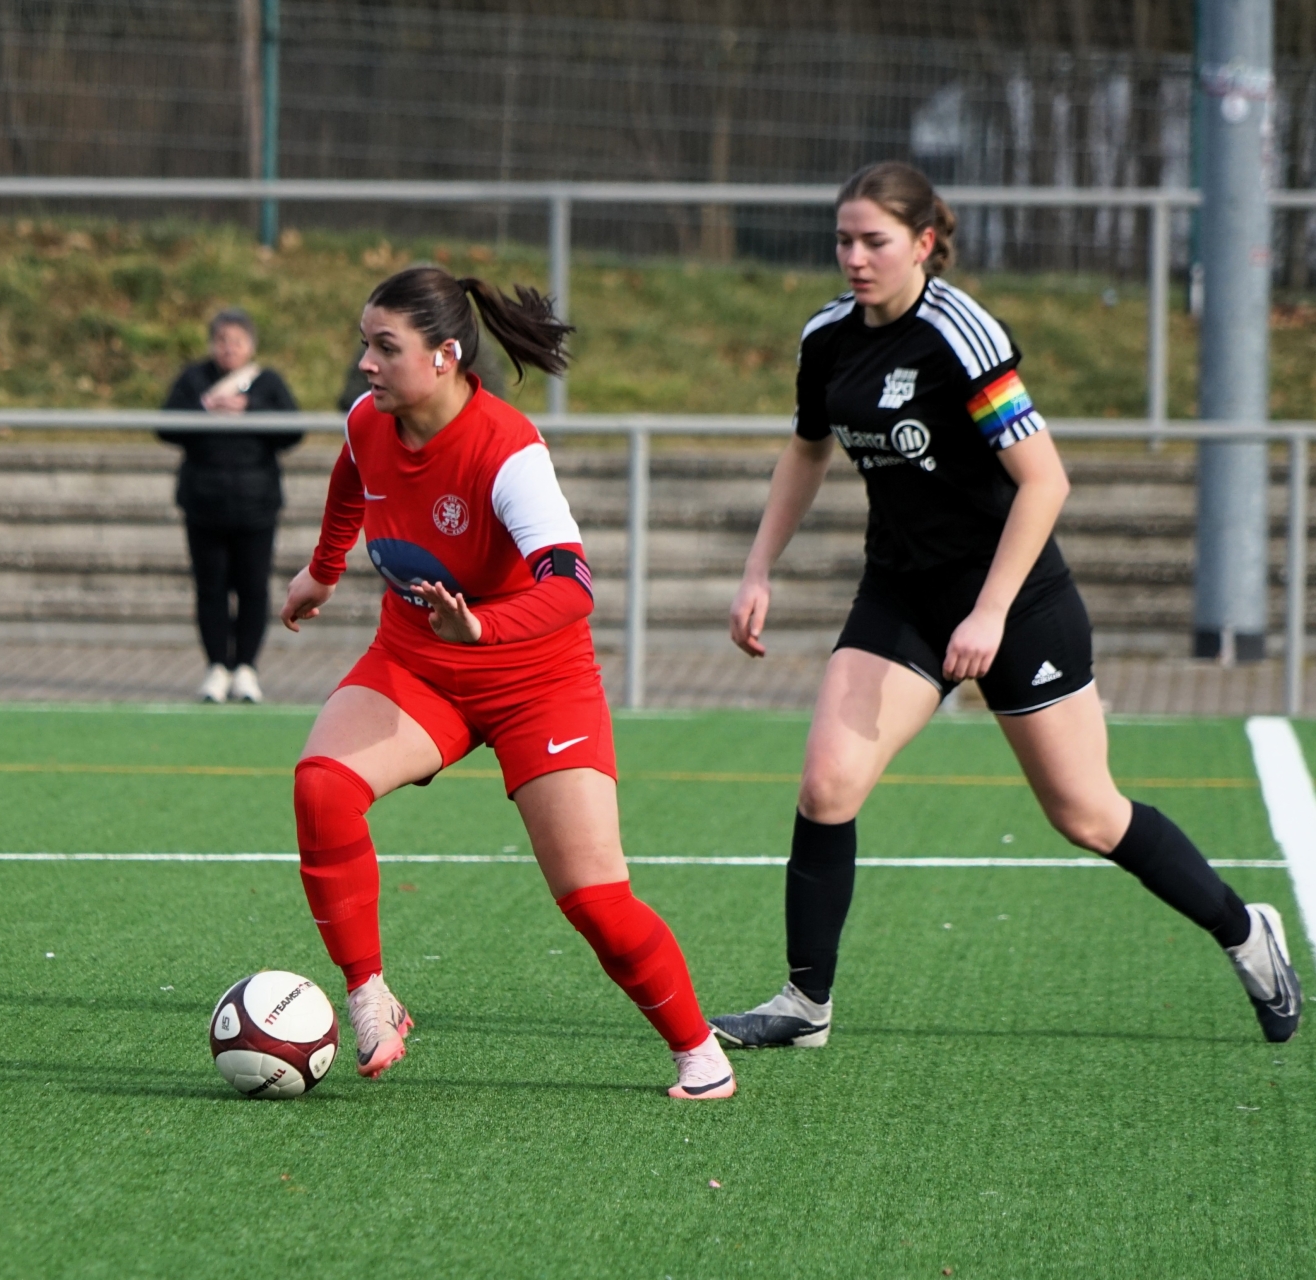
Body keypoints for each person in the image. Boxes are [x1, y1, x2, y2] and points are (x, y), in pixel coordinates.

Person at [709, 161, 1302, 1049]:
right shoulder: (828, 336)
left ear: (923, 243)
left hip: (1017, 601)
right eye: (843, 241)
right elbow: (807, 450)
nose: (855, 258)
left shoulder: (963, 335)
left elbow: (1044, 481)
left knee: (1085, 813)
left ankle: (1245, 930)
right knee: (827, 785)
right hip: (902, 592)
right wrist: (758, 569)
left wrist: (988, 613)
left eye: (874, 241)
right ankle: (805, 1004)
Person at [280, 266, 737, 1100]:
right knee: (322, 787)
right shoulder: (368, 420)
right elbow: (352, 478)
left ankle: (698, 1049)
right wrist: (323, 570)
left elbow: (572, 586)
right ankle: (370, 995)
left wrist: (482, 629)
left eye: (385, 347)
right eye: (363, 344)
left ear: (445, 356)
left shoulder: (509, 451)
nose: (366, 364)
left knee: (594, 899)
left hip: (537, 681)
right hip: (418, 662)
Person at [159, 309, 301, 703]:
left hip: (257, 505)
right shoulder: (193, 379)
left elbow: (293, 430)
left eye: (236, 341)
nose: (228, 348)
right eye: (221, 340)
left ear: (250, 346)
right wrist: (207, 408)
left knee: (254, 588)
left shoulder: (268, 383)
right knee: (211, 589)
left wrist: (248, 409)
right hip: (203, 503)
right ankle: (216, 667)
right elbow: (164, 425)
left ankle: (246, 669)